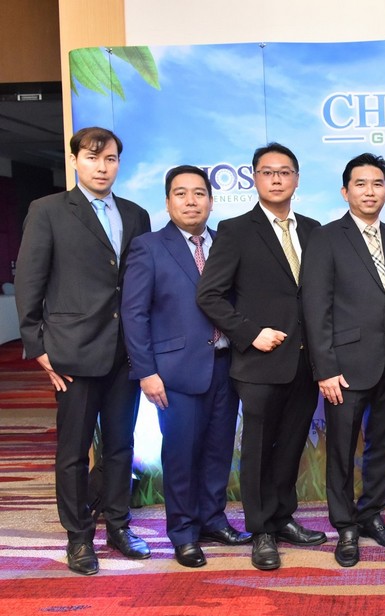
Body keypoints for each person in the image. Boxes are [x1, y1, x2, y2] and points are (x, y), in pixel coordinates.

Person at [14, 126, 152, 575]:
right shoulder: (48, 210)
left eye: (110, 159)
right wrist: (36, 344)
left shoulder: (135, 214)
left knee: (121, 446)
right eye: (92, 158)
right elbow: (29, 280)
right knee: (73, 451)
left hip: (124, 352)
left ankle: (119, 526)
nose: (102, 167)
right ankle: (79, 537)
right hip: (71, 352)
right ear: (75, 161)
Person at [196, 143, 326, 571]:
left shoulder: (314, 230)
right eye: (267, 172)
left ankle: (283, 517)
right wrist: (251, 334)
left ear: (296, 179)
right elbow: (210, 295)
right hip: (258, 363)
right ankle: (261, 531)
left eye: (284, 172)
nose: (276, 179)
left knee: (290, 446)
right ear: (254, 178)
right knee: (257, 450)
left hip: (306, 362)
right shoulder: (235, 230)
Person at [121, 166, 251, 568]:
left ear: (211, 201)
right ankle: (183, 532)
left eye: (199, 193)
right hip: (175, 371)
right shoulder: (148, 247)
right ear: (167, 202)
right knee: (181, 455)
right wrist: (146, 371)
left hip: (227, 365)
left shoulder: (227, 244)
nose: (191, 201)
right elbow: (134, 314)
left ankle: (212, 519)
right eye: (181, 194)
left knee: (218, 450)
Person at [302, 153, 385, 567]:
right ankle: (345, 525)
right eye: (361, 184)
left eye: (377, 184)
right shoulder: (326, 238)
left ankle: (371, 514)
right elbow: (316, 307)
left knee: (383, 444)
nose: (370, 191)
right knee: (340, 450)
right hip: (345, 367)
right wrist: (325, 368)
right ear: (345, 191)